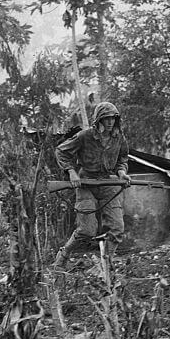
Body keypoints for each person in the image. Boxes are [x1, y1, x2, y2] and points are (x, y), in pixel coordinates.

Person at [52, 101, 131, 267]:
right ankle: (63, 255)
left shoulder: (119, 137)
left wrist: (121, 172)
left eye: (113, 118)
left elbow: (123, 158)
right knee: (87, 230)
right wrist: (71, 172)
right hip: (86, 183)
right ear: (99, 120)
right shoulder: (85, 136)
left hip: (107, 182)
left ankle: (105, 265)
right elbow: (61, 151)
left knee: (117, 228)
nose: (110, 122)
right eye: (106, 118)